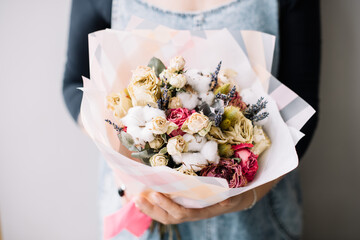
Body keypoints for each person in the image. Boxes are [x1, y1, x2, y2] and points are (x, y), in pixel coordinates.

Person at [63, 0, 320, 239]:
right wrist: (129, 167)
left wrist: (247, 196)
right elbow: (74, 84)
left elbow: (302, 99)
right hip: (138, 212)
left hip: (257, 219)